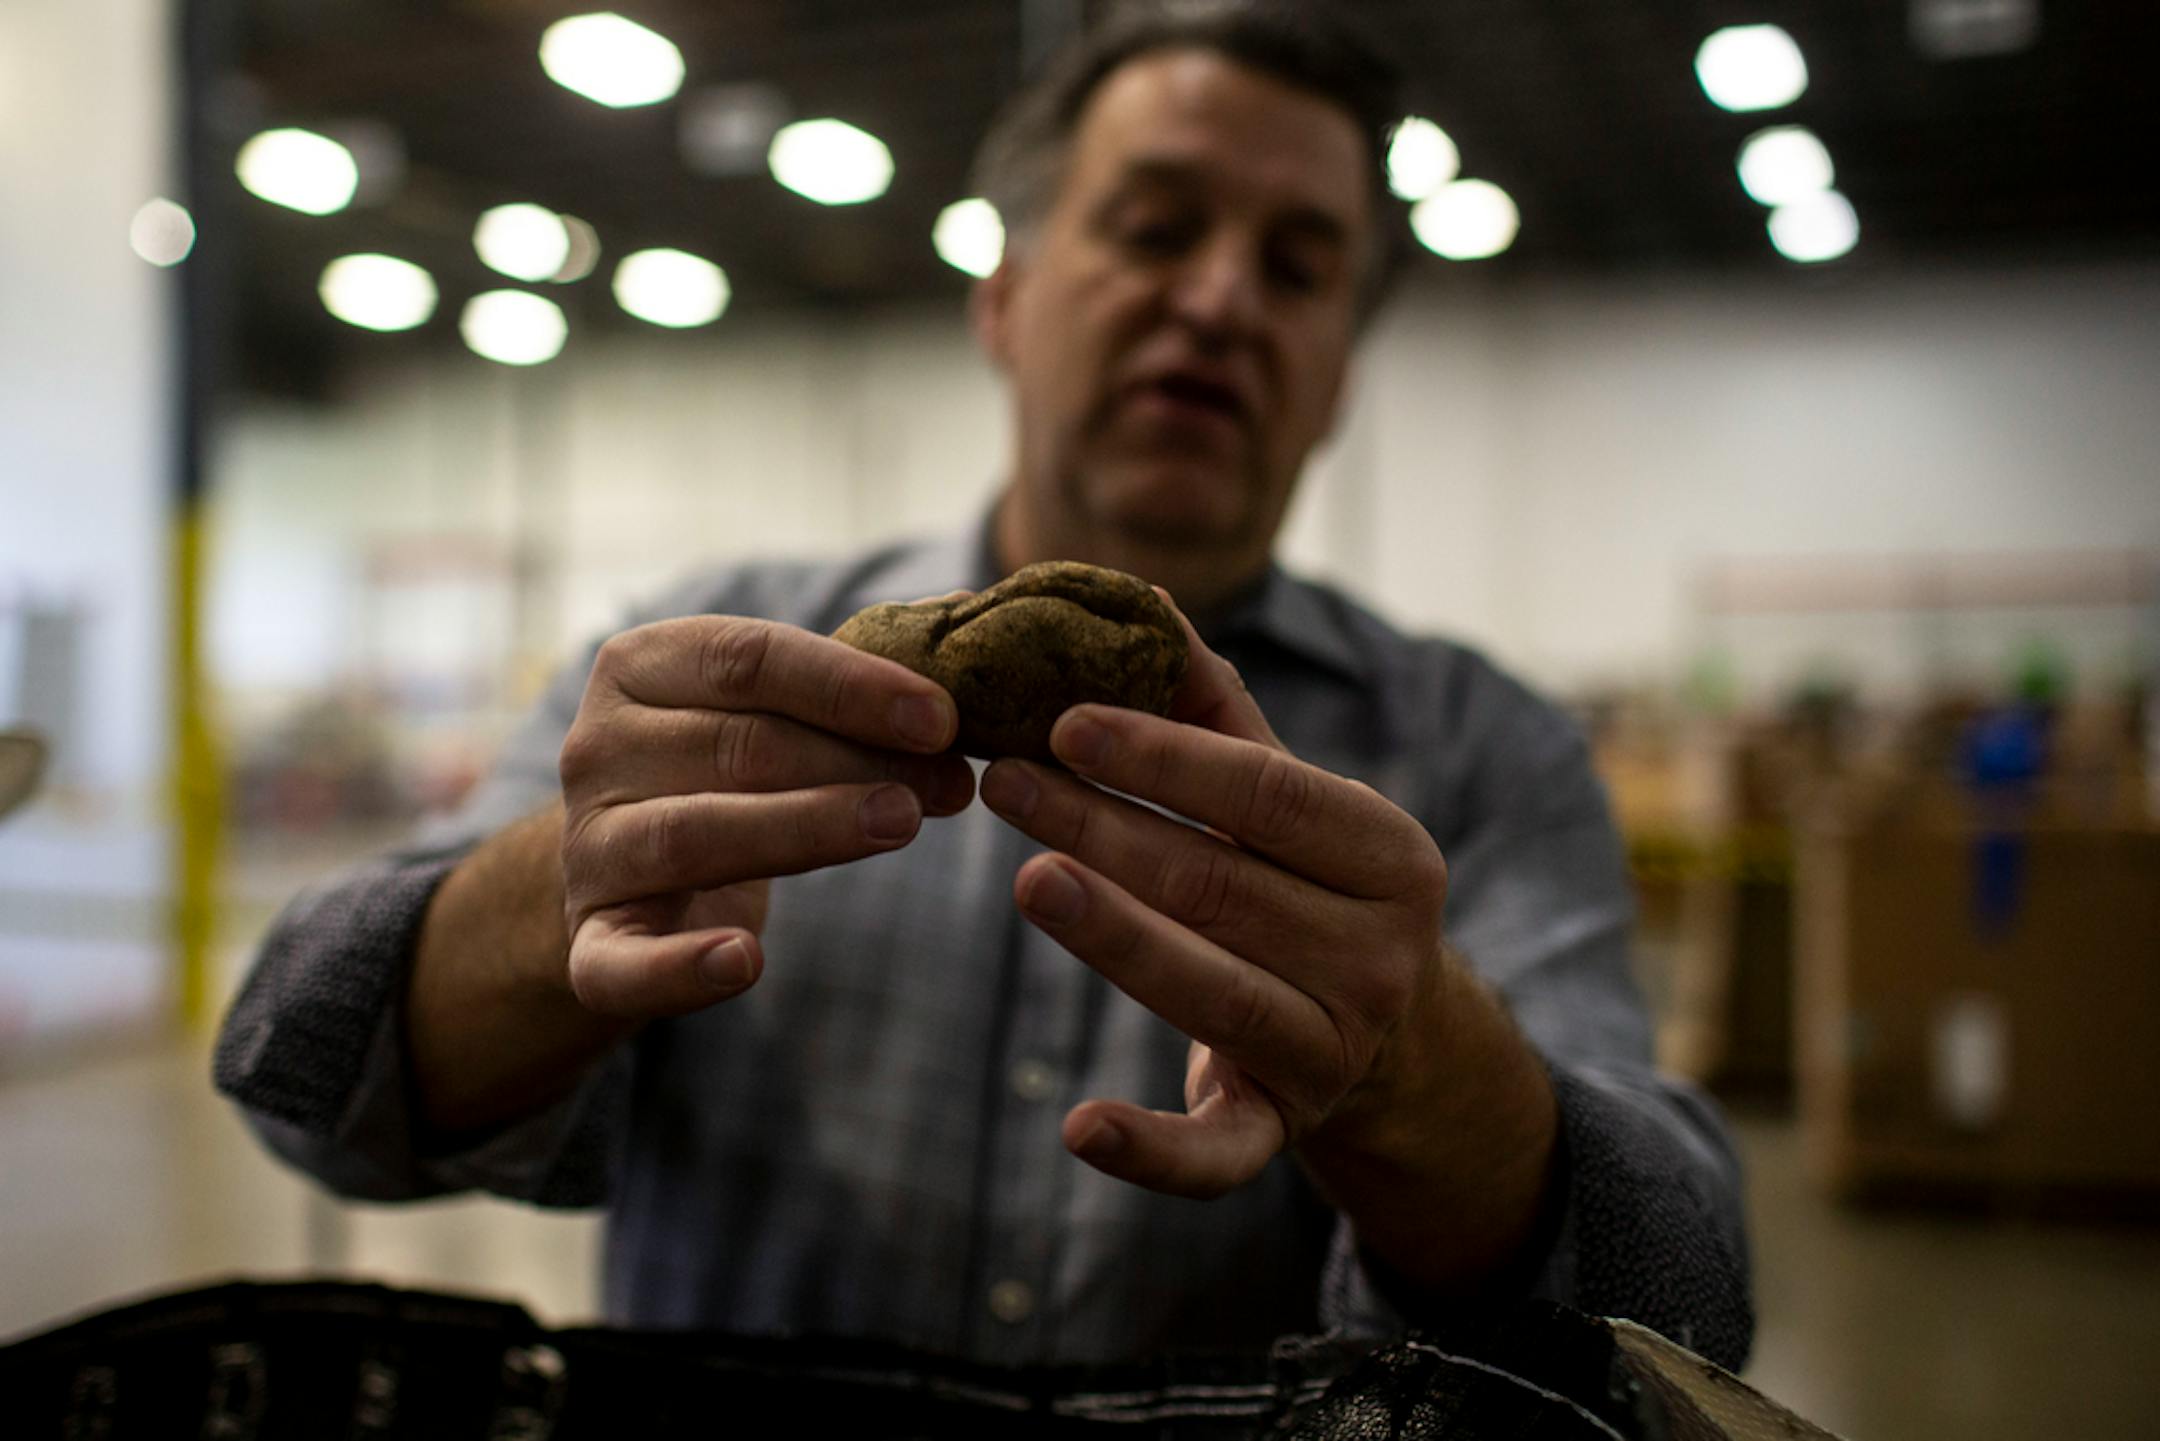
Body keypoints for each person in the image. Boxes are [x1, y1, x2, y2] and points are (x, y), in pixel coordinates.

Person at [216, 0, 1752, 1370]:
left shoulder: (1485, 752)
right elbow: (297, 1067)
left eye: (1298, 266)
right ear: (1003, 297)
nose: (1221, 300)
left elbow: (1680, 1307)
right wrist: (562, 890)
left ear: (1341, 369)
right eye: (1156, 228)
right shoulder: (718, 658)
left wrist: (1416, 1060)